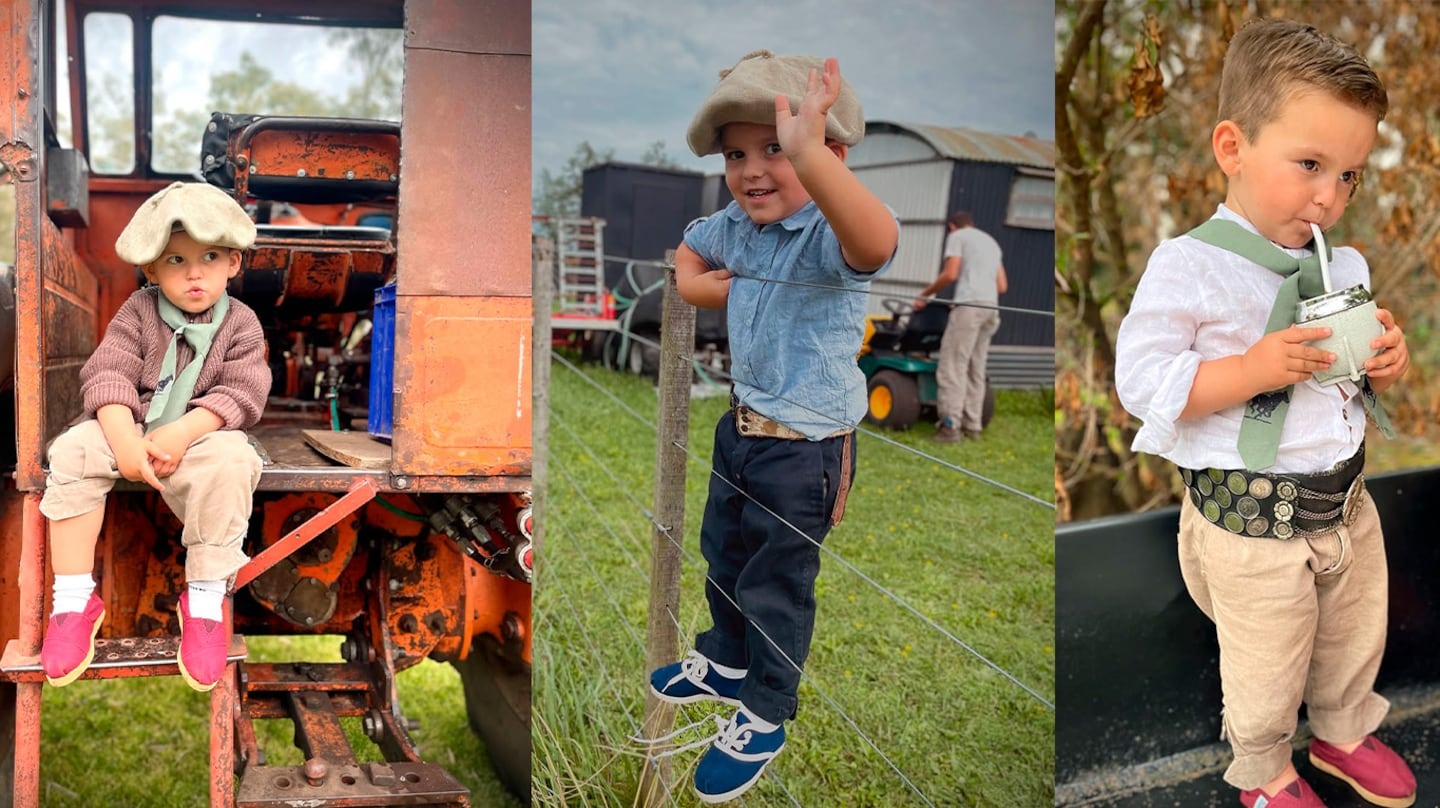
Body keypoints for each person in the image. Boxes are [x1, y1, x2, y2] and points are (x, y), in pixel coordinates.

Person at [1115, 19, 1414, 808]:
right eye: (1310, 165)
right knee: (1267, 663)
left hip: (1346, 505)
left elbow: (1344, 377)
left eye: (1349, 176)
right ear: (1233, 147)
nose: (1329, 196)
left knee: (1353, 635)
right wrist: (1248, 370)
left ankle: (1343, 731)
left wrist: (1383, 361)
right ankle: (1265, 771)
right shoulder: (1190, 265)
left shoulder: (1342, 263)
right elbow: (1140, 381)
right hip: (1252, 530)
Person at [646, 50, 898, 803]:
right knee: (723, 553)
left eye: (776, 150)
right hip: (742, 429)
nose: (753, 170)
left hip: (805, 450)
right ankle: (725, 661)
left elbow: (879, 241)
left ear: (831, 158)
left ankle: (764, 713)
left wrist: (809, 157)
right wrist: (699, 288)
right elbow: (691, 247)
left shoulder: (828, 232)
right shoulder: (739, 226)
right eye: (736, 154)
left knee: (776, 584)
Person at [39, 182, 269, 693]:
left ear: (233, 262)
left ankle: (205, 602)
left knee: (234, 461)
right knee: (73, 449)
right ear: (151, 270)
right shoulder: (138, 311)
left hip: (199, 433)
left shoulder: (242, 324)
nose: (194, 273)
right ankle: (73, 601)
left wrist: (184, 431)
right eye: (175, 260)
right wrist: (124, 441)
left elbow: (243, 391)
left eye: (210, 257)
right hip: (133, 425)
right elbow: (109, 375)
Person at [913, 211, 1007, 442]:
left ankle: (950, 426)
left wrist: (925, 295)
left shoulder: (957, 237)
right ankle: (972, 425)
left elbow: (950, 273)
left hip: (969, 307)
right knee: (975, 367)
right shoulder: (990, 242)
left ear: (952, 227)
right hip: (991, 308)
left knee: (953, 365)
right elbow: (1002, 286)